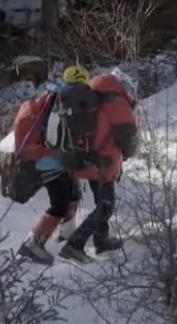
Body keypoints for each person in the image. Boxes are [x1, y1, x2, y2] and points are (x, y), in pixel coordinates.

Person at [58, 67, 139, 263]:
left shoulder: (92, 93)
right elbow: (128, 134)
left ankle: (101, 241)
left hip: (87, 158)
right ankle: (74, 245)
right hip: (103, 161)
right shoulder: (115, 100)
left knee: (101, 202)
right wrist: (129, 153)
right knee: (106, 207)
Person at [16, 65, 91, 265]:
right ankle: (32, 243)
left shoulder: (52, 96)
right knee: (60, 205)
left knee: (73, 196)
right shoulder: (65, 100)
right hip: (53, 161)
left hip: (51, 158)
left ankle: (67, 235)